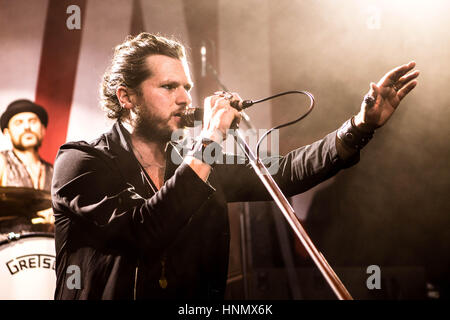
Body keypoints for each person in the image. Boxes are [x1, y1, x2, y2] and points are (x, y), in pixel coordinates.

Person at [51, 33, 419, 300]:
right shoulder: (81, 162)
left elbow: (286, 172)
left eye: (186, 86)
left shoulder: (194, 158)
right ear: (126, 97)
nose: (184, 98)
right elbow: (144, 230)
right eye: (168, 87)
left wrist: (359, 126)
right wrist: (208, 139)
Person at [0, 99, 53, 191]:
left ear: (43, 130)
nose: (27, 127)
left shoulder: (55, 172)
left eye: (32, 121)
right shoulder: (2, 161)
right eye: (18, 123)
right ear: (7, 133)